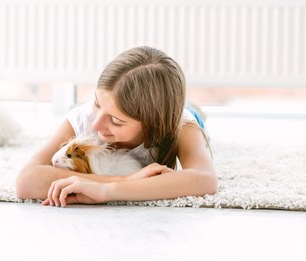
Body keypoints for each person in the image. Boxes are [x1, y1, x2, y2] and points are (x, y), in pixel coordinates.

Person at [16, 46, 218, 207]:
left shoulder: (180, 124)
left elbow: (205, 180)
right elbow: (27, 181)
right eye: (97, 103)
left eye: (116, 120)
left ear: (152, 124)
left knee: (195, 114)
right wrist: (126, 180)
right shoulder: (84, 119)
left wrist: (107, 191)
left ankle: (194, 107)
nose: (96, 124)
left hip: (184, 112)